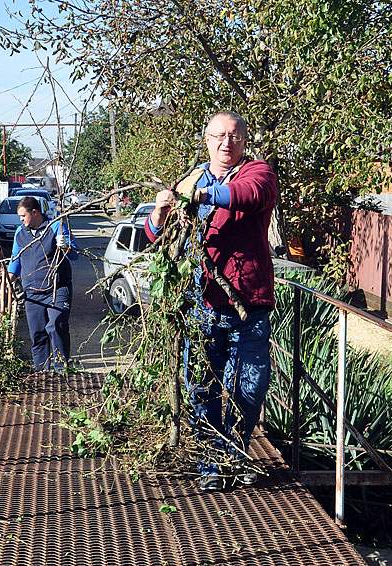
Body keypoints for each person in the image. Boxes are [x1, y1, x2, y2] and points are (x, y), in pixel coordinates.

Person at [145, 111, 278, 491]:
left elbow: (248, 197)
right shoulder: (191, 177)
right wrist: (160, 210)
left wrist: (203, 195)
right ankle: (210, 463)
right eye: (218, 136)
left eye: (234, 136)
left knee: (250, 387)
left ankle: (234, 451)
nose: (226, 143)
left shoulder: (258, 172)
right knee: (200, 384)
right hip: (201, 302)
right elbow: (158, 236)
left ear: (244, 140)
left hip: (248, 303)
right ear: (206, 140)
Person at [8, 196, 79, 371]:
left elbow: (74, 254)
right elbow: (15, 262)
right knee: (38, 333)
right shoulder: (20, 233)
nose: (21, 220)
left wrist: (65, 247)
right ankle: (42, 372)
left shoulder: (55, 226)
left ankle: (61, 369)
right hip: (31, 291)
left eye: (23, 216)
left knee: (56, 326)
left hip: (57, 287)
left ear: (35, 212)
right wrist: (5, 284)